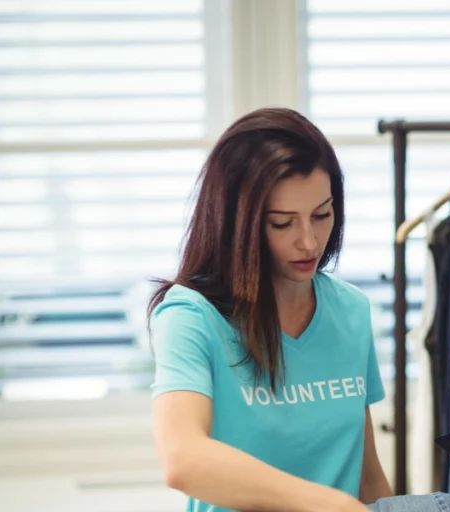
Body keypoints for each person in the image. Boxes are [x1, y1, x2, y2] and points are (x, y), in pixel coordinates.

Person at [148, 108, 389, 512]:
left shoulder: (350, 311)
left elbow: (368, 479)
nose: (309, 242)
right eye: (282, 223)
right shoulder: (190, 317)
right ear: (236, 223)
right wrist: (326, 504)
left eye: (322, 215)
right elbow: (182, 459)